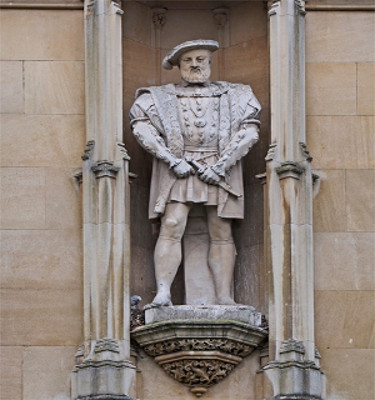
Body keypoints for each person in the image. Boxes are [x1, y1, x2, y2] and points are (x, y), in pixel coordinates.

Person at [130, 39, 261, 307]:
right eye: (188, 60)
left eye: (200, 59)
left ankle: (224, 296)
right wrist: (171, 159)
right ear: (178, 65)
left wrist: (222, 166)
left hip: (221, 168)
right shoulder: (156, 97)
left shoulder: (237, 95)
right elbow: (142, 128)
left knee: (221, 228)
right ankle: (163, 292)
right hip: (178, 168)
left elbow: (250, 130)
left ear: (210, 62)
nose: (194, 65)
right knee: (171, 224)